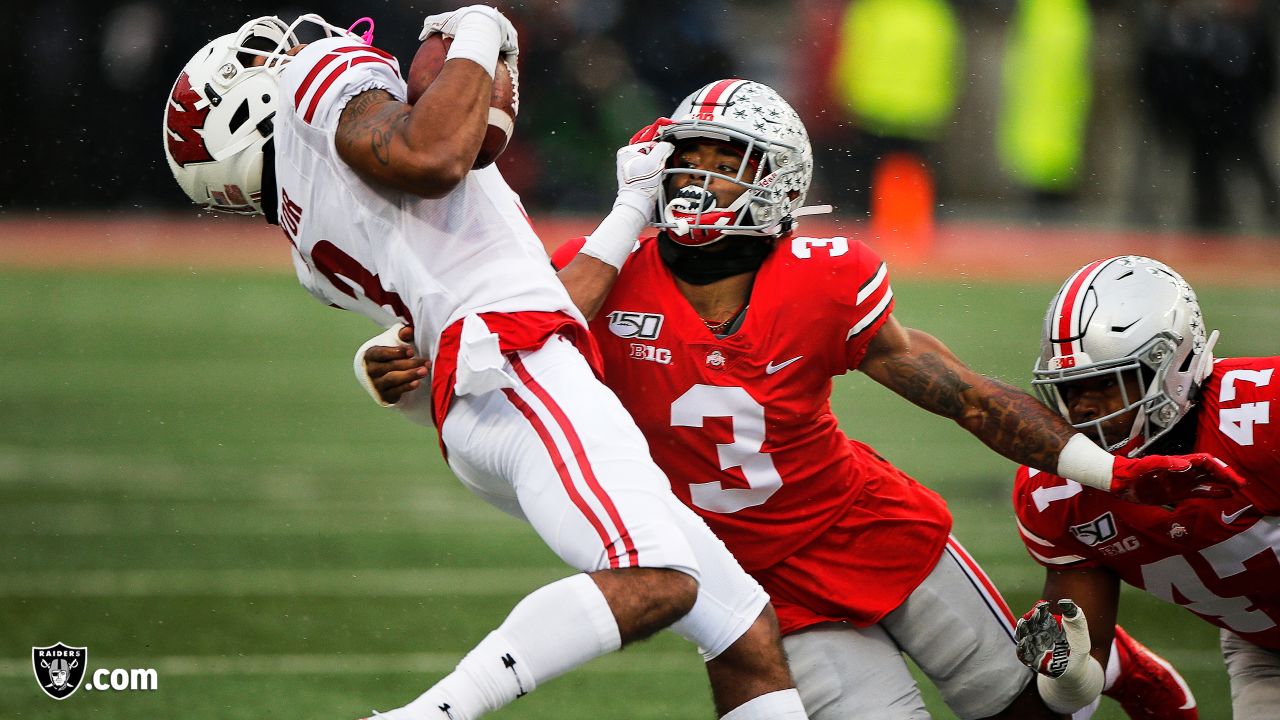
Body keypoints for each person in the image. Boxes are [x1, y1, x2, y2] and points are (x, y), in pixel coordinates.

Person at [360, 79, 1245, 718]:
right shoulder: (601, 279)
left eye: (724, 164)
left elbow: (962, 396)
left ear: (779, 184)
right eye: (687, 161)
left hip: (862, 519)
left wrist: (1108, 471)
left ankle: (1121, 668)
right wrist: (414, 365)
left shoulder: (823, 280)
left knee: (1023, 707)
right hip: (749, 577)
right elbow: (524, 347)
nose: (696, 181)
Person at [162, 9, 812, 720]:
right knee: (658, 578)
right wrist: (477, 31)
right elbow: (436, 157)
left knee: (745, 632)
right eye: (258, 61)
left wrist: (631, 206)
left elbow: (505, 297)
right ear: (238, 108)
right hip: (519, 371)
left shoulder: (309, 255)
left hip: (496, 385)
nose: (289, 52)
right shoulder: (317, 80)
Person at [1011, 255, 1279, 719]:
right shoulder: (1054, 491)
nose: (1084, 409)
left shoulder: (1262, 411)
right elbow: (1083, 669)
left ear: (1174, 363)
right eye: (1070, 389)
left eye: (1103, 382)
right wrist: (1067, 671)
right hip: (1266, 651)